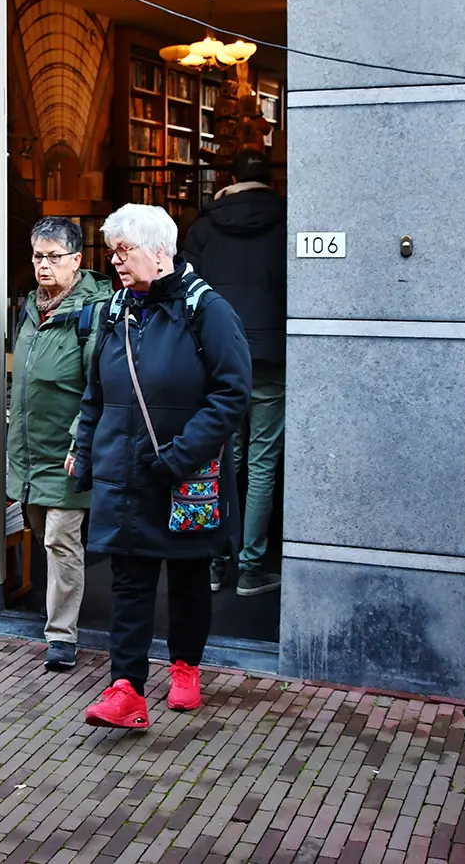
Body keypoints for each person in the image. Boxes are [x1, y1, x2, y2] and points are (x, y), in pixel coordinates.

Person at [68, 204, 251, 731]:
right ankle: (126, 689)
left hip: (183, 476)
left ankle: (186, 667)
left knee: (189, 577)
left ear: (159, 252)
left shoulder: (207, 310)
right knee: (128, 583)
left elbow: (232, 394)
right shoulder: (114, 309)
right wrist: (85, 451)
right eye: (112, 251)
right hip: (123, 475)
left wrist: (178, 456)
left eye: (124, 250)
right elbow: (96, 393)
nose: (115, 260)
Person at [6, 216, 112, 672]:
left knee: (60, 539)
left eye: (53, 256)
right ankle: (58, 607)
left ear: (77, 259)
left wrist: (79, 443)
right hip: (28, 452)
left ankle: (61, 635)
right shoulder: (31, 307)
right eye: (37, 256)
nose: (43, 265)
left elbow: (99, 387)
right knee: (40, 530)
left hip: (67, 451)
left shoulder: (94, 312)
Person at [184, 149, 287, 597]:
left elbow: (185, 288)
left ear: (230, 178)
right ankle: (251, 567)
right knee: (262, 462)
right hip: (269, 356)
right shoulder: (288, 218)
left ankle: (213, 561)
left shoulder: (205, 225)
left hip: (218, 356)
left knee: (224, 458)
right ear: (271, 179)